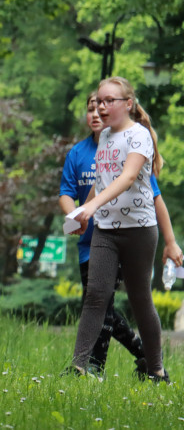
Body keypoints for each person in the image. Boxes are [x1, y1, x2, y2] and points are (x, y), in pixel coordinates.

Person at [69, 77, 182, 382]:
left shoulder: (139, 136)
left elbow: (127, 178)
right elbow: (101, 183)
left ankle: (157, 369)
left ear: (128, 104)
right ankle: (78, 366)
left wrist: (91, 207)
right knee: (95, 295)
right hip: (106, 230)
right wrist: (83, 212)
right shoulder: (104, 136)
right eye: (99, 101)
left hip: (139, 231)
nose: (101, 107)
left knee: (139, 299)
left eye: (109, 101)